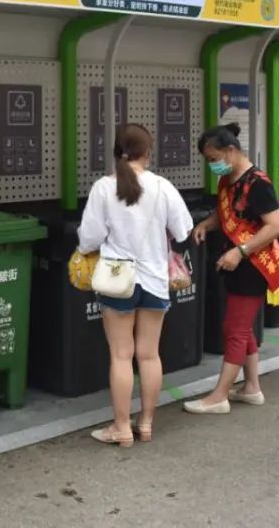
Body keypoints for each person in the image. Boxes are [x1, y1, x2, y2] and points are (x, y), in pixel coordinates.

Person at [78, 124, 193, 446]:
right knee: (149, 355)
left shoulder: (104, 188)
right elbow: (183, 230)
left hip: (117, 280)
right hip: (154, 279)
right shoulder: (163, 187)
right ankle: (146, 423)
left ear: (117, 152)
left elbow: (89, 238)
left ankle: (121, 427)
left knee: (121, 355)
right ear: (148, 152)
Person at [185, 124, 279, 415]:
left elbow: (276, 226)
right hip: (236, 262)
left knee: (235, 330)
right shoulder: (229, 179)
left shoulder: (258, 183)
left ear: (230, 150)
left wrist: (240, 251)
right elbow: (226, 213)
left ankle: (219, 396)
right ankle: (251, 387)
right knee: (241, 326)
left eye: (213, 158)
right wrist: (206, 225)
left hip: (253, 264)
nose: (211, 165)